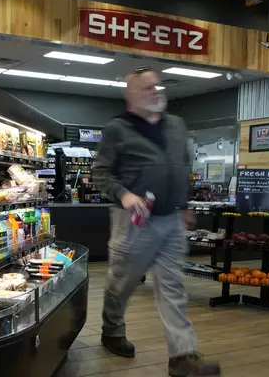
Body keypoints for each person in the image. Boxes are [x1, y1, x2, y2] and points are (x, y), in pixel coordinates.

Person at [92, 67, 220, 377]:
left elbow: (181, 167)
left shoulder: (176, 125)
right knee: (122, 283)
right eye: (146, 87)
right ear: (130, 95)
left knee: (173, 287)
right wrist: (124, 195)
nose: (155, 91)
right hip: (134, 221)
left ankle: (182, 356)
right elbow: (100, 173)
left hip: (172, 219)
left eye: (157, 86)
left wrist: (185, 205)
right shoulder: (117, 128)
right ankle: (112, 328)